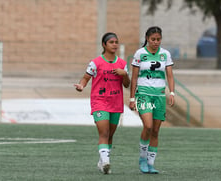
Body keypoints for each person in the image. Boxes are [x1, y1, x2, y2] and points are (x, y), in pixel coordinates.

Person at [74, 32, 130, 174]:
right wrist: (81, 85)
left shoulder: (122, 64)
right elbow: (85, 78)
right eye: (111, 42)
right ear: (104, 45)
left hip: (116, 102)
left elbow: (126, 85)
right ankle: (106, 162)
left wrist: (125, 74)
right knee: (103, 132)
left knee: (110, 134)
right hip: (100, 101)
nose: (115, 45)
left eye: (116, 42)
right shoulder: (96, 62)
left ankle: (101, 161)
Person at [129, 26, 175, 174]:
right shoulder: (140, 54)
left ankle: (150, 164)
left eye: (158, 39)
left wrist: (172, 93)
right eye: (153, 39)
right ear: (147, 39)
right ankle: (142, 159)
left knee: (155, 131)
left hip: (160, 96)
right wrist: (132, 98)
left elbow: (170, 75)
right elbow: (134, 77)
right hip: (144, 94)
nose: (156, 42)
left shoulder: (165, 54)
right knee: (148, 126)